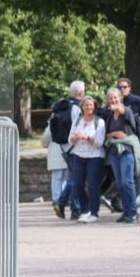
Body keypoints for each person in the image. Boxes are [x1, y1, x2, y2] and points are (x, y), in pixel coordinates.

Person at [104, 87, 140, 223]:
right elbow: (107, 134)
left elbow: (122, 111)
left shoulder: (126, 110)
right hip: (114, 152)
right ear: (107, 100)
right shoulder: (110, 116)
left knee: (127, 182)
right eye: (110, 98)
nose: (113, 100)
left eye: (115, 97)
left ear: (120, 98)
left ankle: (132, 212)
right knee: (120, 184)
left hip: (127, 151)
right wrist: (115, 134)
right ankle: (126, 212)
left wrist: (116, 107)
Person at [67, 95, 106, 223]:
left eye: (91, 105)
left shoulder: (99, 122)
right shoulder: (77, 121)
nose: (89, 107)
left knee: (93, 185)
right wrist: (75, 138)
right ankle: (85, 210)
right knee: (77, 184)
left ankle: (94, 212)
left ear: (94, 107)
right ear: (82, 107)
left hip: (94, 157)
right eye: (86, 105)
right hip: (78, 155)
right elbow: (70, 139)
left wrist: (86, 137)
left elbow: (99, 142)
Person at [53, 80, 86, 220]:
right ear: (81, 93)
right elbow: (79, 128)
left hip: (64, 147)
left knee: (74, 177)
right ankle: (64, 203)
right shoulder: (76, 108)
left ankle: (74, 209)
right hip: (75, 147)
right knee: (76, 178)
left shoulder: (60, 107)